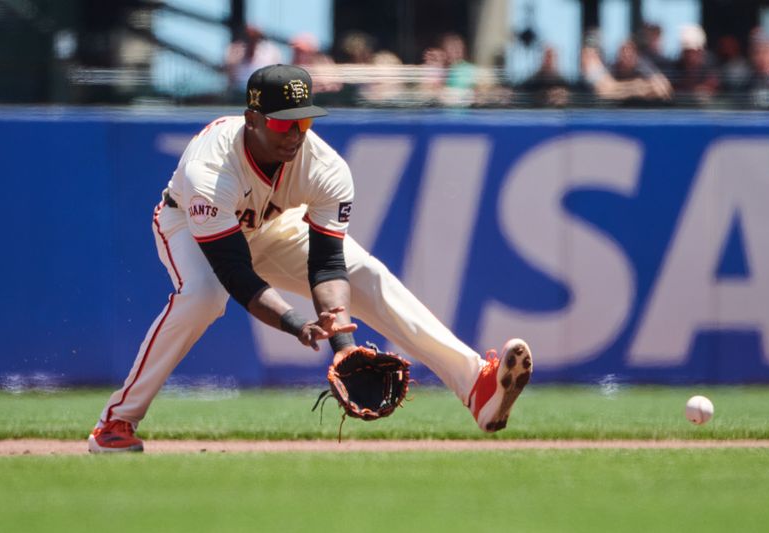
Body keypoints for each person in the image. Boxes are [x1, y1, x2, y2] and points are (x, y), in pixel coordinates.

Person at [87, 64, 533, 452]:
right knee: (204, 296)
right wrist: (295, 323)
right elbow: (235, 272)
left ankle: (477, 385)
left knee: (367, 275)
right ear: (252, 120)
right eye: (284, 125)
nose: (297, 135)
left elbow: (327, 263)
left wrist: (342, 343)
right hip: (190, 227)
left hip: (274, 227)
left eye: (304, 122)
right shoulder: (211, 169)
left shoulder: (325, 167)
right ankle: (117, 420)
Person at [224, 26, 283, 97]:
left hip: (263, 92)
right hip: (238, 92)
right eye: (248, 38)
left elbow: (276, 75)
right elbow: (228, 74)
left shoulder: (271, 52)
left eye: (254, 39)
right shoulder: (234, 50)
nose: (251, 42)